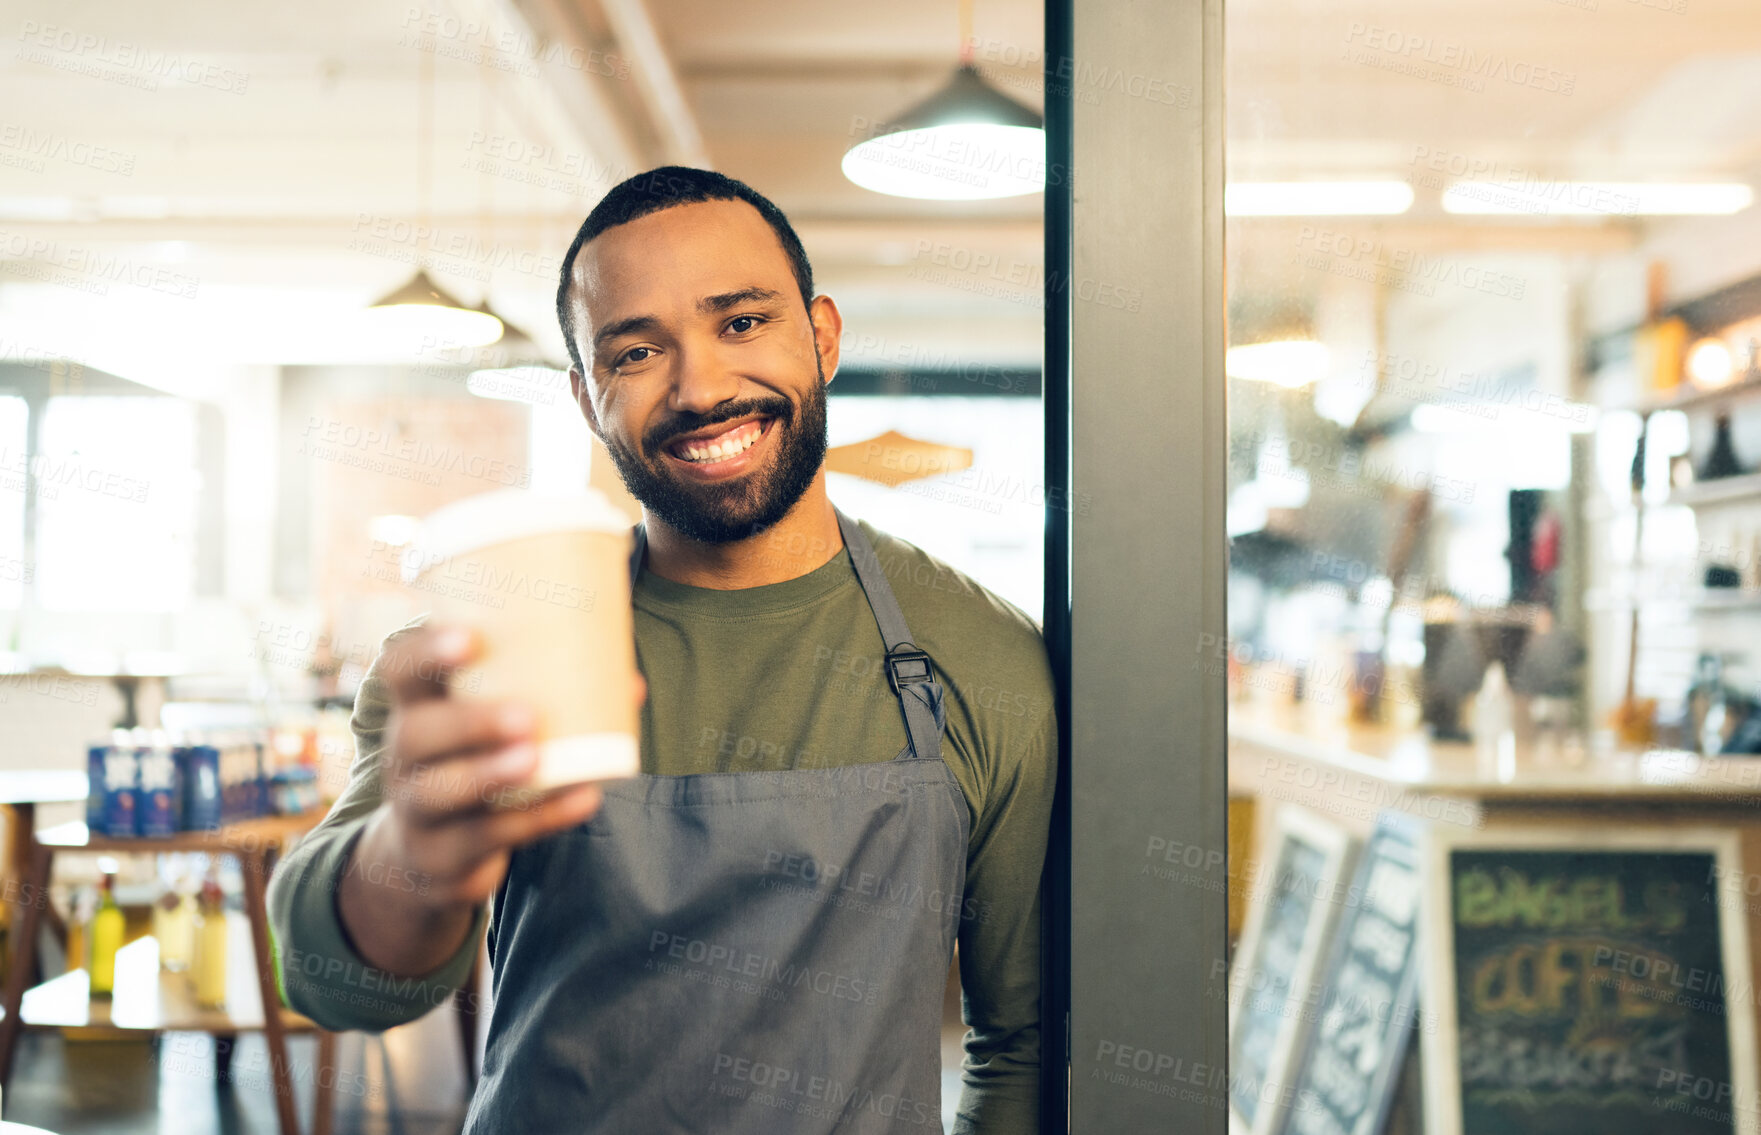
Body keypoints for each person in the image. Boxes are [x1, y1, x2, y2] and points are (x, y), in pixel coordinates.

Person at [268, 166, 1057, 1134]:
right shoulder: (496, 648)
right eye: (636, 350)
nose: (701, 387)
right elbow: (327, 978)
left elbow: (1020, 1044)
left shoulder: (980, 656)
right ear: (585, 395)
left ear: (824, 335)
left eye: (741, 322)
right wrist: (411, 858)